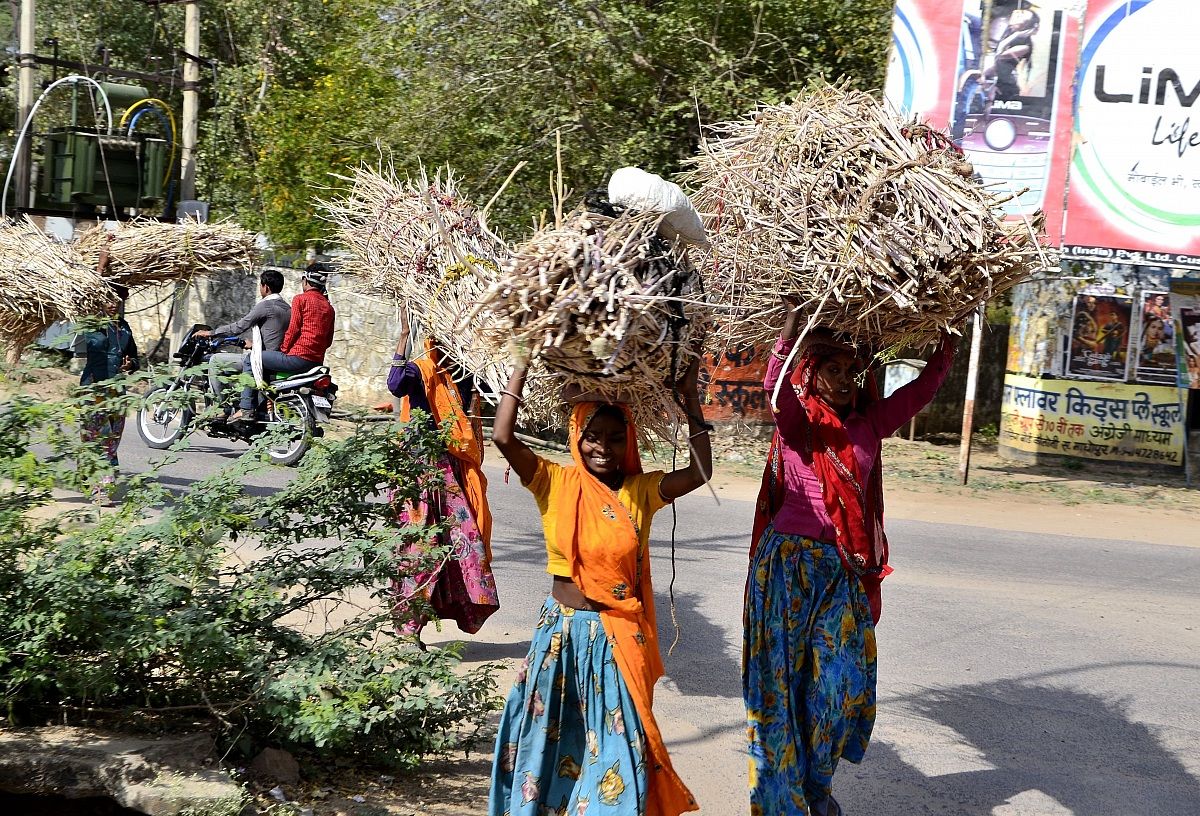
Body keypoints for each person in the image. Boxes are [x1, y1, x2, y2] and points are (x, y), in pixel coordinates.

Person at [744, 298, 956, 816]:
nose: (841, 380)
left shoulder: (867, 424)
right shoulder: (798, 425)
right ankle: (784, 797)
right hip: (788, 567)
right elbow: (776, 394)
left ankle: (817, 783)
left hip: (841, 570)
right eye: (830, 370)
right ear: (809, 376)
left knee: (840, 685)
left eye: (848, 370)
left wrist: (948, 338)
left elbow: (923, 389)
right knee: (782, 686)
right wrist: (788, 333)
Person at [488, 355, 712, 816]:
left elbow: (700, 473)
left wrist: (690, 398)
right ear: (577, 437)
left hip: (615, 637)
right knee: (548, 739)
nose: (603, 447)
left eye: (615, 437)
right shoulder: (554, 481)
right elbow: (503, 438)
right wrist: (524, 361)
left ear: (629, 440)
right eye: (593, 436)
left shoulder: (640, 491)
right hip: (561, 637)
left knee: (621, 743)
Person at [387, 311, 499, 640]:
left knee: (461, 544)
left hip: (450, 474)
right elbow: (394, 384)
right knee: (419, 549)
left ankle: (458, 609)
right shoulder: (422, 371)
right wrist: (404, 336)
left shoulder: (465, 376)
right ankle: (409, 631)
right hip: (418, 474)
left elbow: (492, 393)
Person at [230, 263, 335, 423]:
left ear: (305, 280)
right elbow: (328, 341)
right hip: (315, 363)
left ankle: (246, 408)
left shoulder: (301, 299)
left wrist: (284, 350)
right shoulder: (329, 307)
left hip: (296, 359)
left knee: (251, 359)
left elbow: (292, 330)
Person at [77, 283, 140, 504]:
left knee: (112, 440)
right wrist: (101, 267)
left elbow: (135, 359)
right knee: (100, 439)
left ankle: (89, 473)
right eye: (107, 298)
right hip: (94, 390)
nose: (112, 303)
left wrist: (129, 364)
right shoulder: (93, 324)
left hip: (117, 393)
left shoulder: (124, 328)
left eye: (116, 299)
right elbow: (88, 290)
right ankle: (100, 489)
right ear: (99, 300)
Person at [194, 269, 291, 403]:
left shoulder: (265, 306)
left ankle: (221, 407)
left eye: (260, 286)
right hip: (277, 357)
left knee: (215, 361)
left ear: (266, 287)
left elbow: (239, 326)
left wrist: (211, 333)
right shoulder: (287, 308)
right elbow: (273, 333)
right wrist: (253, 344)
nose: (260, 289)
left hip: (263, 359)